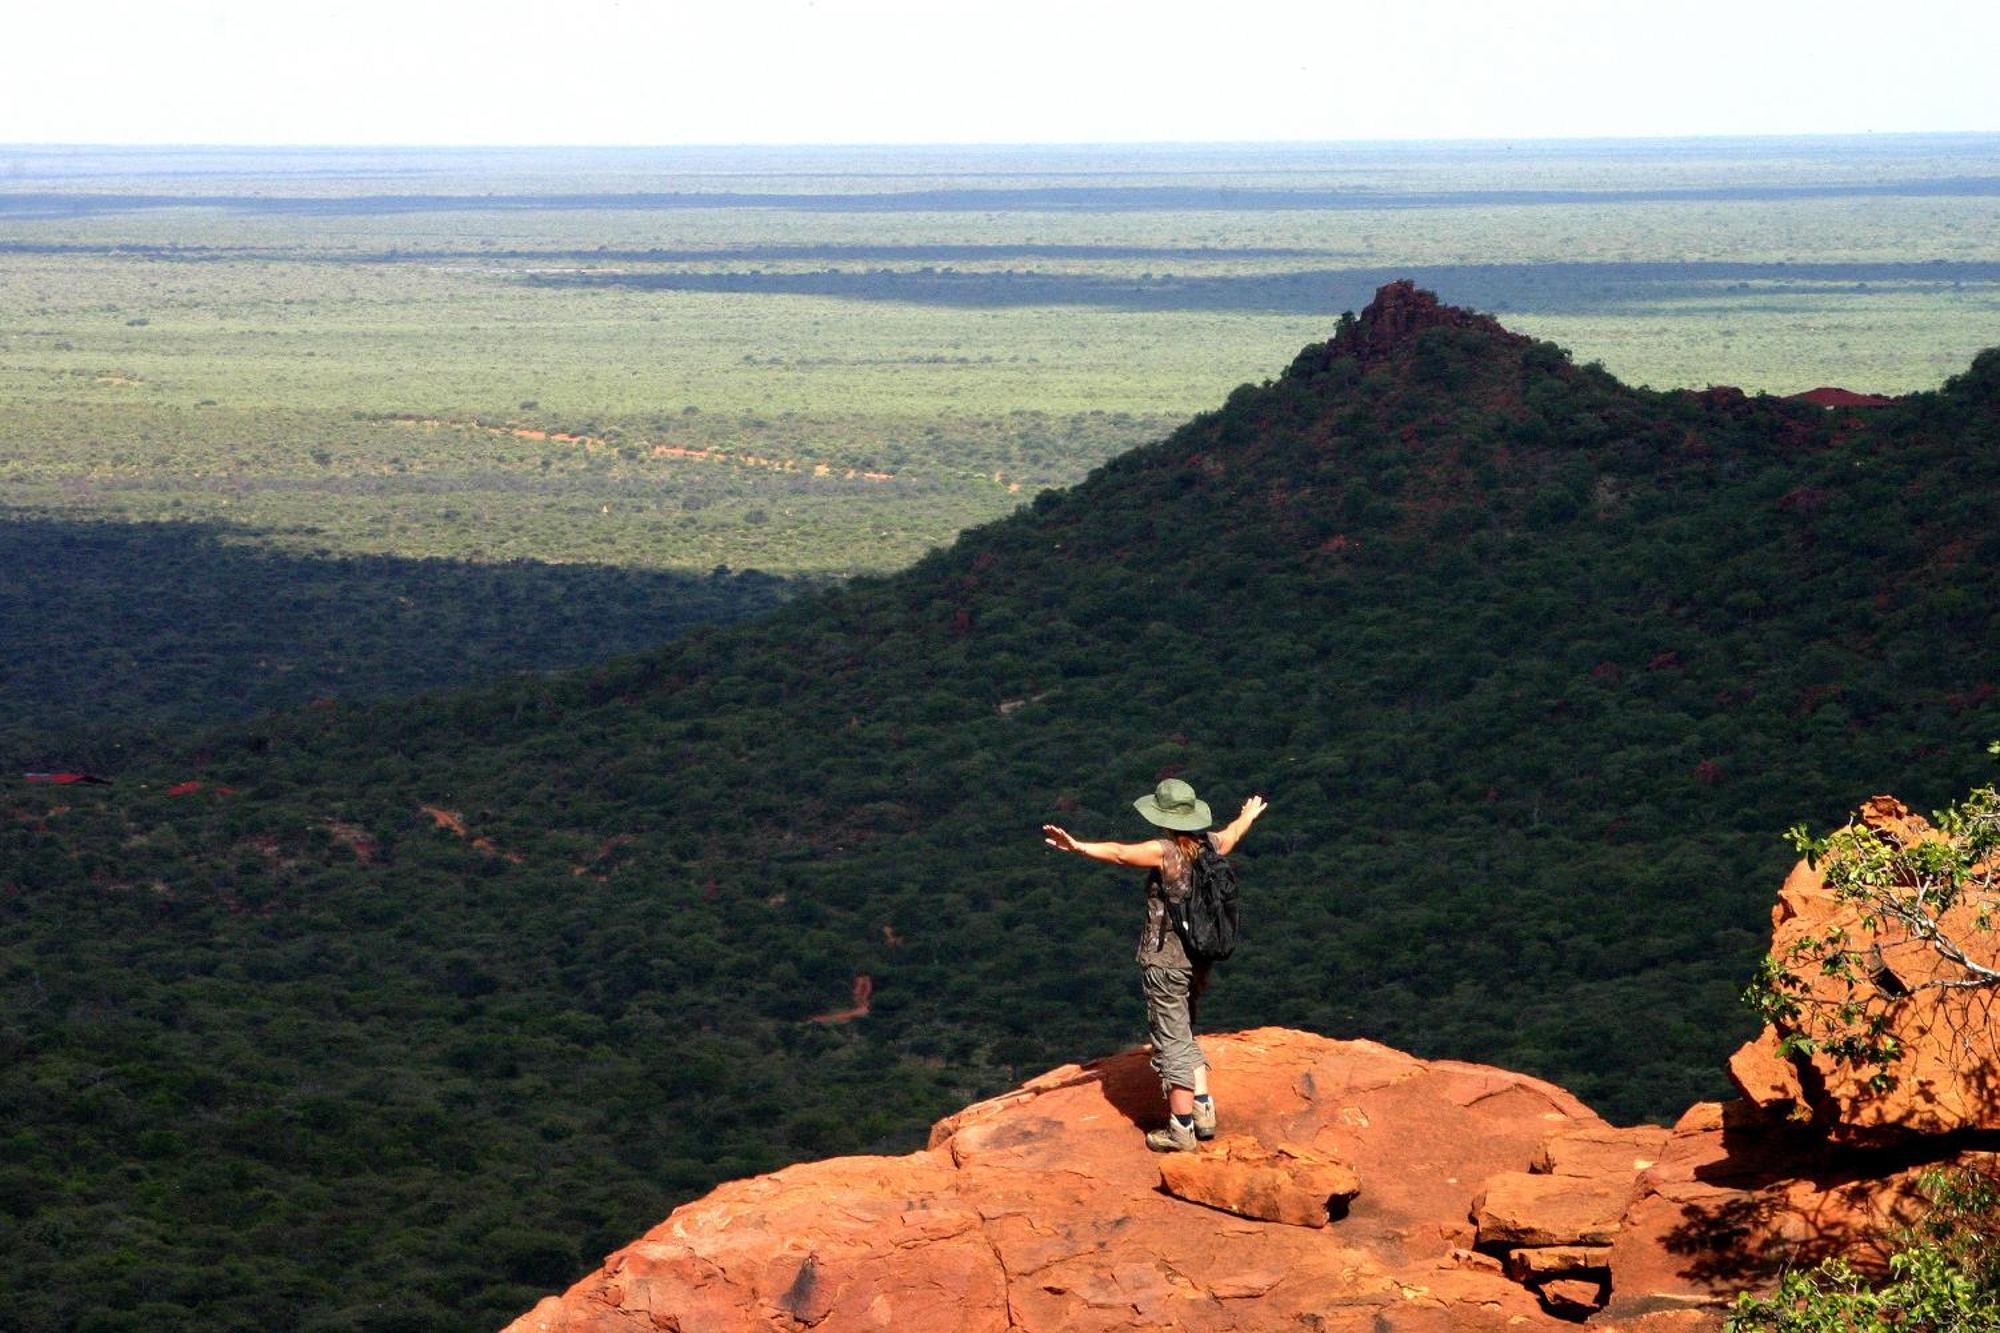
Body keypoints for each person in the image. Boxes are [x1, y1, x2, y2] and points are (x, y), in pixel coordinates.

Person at [1042, 778, 1268, 1152]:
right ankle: (1203, 1111)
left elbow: (1117, 852)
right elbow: (1231, 835)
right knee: (1185, 1030)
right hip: (1199, 959)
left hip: (1166, 962)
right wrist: (1247, 816)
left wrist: (1078, 846)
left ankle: (1181, 1130)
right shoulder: (1210, 846)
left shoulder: (1165, 851)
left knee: (1172, 1041)